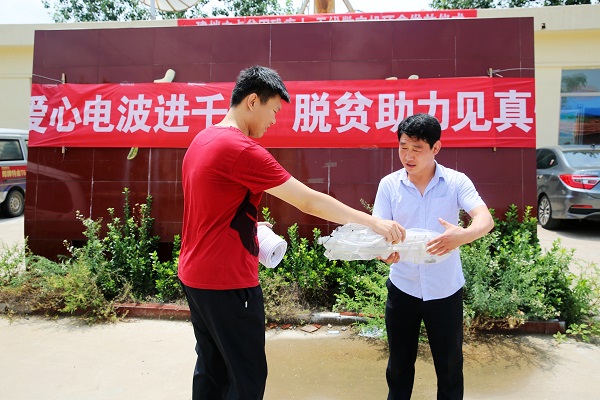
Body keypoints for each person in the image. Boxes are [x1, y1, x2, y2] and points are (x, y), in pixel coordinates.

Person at [178, 65, 405, 400]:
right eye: (273, 110)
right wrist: (373, 222)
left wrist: (250, 226)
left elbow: (207, 210)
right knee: (246, 378)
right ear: (252, 102)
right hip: (228, 282)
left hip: (195, 276)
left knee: (212, 371)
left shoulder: (203, 139)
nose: (274, 120)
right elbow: (308, 200)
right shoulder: (242, 149)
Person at [372, 113, 494, 400]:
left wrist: (463, 235)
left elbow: (485, 219)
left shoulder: (455, 181)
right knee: (399, 367)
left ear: (436, 148)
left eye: (417, 149)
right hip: (403, 288)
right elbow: (379, 231)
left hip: (445, 291)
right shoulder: (389, 185)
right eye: (403, 147)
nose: (408, 156)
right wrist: (383, 253)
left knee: (450, 368)